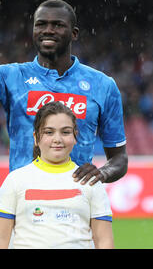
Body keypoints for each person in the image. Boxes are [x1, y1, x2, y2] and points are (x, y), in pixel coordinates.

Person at [0, 0, 127, 185]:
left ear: (74, 34)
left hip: (76, 201)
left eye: (58, 25)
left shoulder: (103, 85)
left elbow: (119, 159)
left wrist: (103, 173)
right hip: (23, 200)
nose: (48, 30)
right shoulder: (9, 76)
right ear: (34, 31)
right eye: (41, 24)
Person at [0, 101, 114, 248]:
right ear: (36, 137)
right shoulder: (15, 180)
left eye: (65, 132)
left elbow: (105, 242)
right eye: (49, 132)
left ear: (75, 136)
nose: (57, 139)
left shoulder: (90, 182)